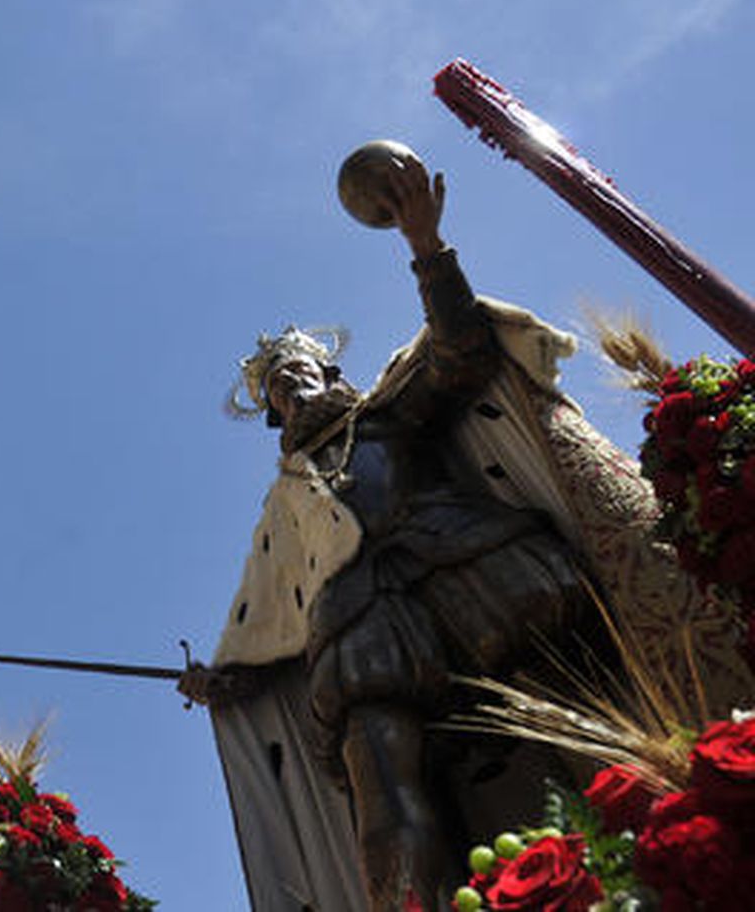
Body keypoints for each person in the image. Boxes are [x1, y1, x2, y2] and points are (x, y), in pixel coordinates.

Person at [185, 153, 606, 910]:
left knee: (580, 715)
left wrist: (425, 245)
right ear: (274, 414)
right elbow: (268, 618)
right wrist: (223, 681)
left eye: (303, 369)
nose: (292, 381)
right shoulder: (284, 511)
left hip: (476, 571)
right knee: (383, 784)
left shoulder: (387, 409)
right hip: (362, 630)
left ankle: (663, 840)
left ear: (333, 375)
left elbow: (461, 352)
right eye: (280, 383)